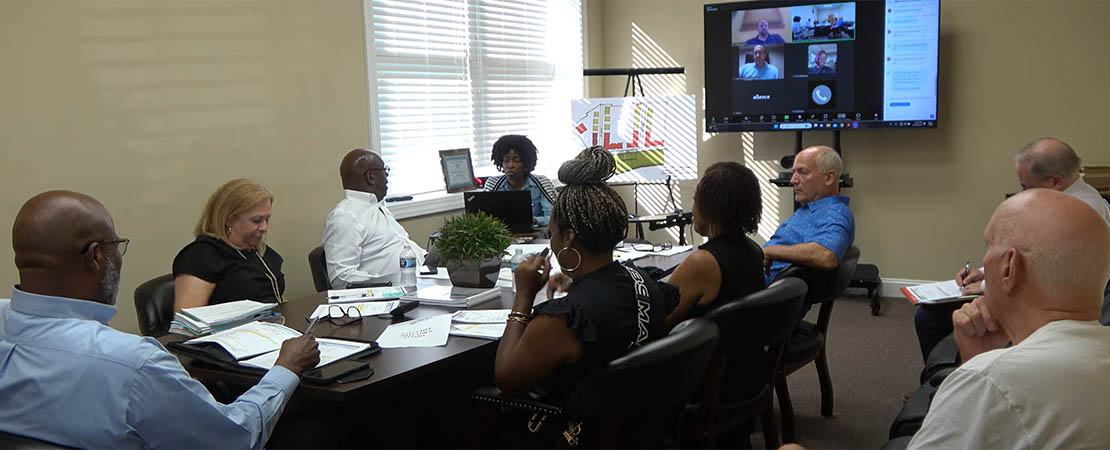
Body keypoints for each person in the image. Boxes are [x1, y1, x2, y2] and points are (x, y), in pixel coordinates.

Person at [0, 191, 320, 449]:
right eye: (116, 246)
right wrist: (286, 369)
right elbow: (233, 437)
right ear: (96, 256)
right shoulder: (135, 364)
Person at [907, 189, 1110, 449]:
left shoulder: (989, 382)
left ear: (1009, 267)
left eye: (989, 246)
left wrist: (977, 368)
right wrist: (979, 358)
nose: (983, 261)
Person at [494, 146, 675, 402]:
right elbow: (607, 303)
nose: (552, 242)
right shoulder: (643, 281)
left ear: (568, 237)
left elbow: (507, 379)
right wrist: (576, 283)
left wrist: (523, 296)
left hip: (575, 433)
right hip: (641, 425)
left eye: (552, 233)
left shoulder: (564, 320)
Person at [914, 137, 1110, 360]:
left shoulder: (1078, 216)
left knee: (929, 318)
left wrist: (988, 285)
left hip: (1046, 312)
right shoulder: (1072, 198)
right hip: (1031, 298)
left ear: (1055, 181)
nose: (1021, 192)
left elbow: (1044, 277)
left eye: (1025, 185)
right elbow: (1026, 255)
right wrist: (985, 273)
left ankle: (945, 383)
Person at [666, 162, 764, 328]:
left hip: (704, 352)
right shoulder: (754, 249)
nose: (693, 211)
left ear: (711, 208)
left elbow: (658, 321)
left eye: (695, 201)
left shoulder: (703, 262)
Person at [173, 178, 286, 310]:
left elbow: (270, 297)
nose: (264, 227)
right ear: (229, 220)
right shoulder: (201, 256)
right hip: (233, 329)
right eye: (256, 220)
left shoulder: (255, 249)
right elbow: (189, 321)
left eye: (267, 219)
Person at [323, 148, 425, 288]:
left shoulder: (377, 207)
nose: (387, 177)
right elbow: (341, 278)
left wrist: (430, 259)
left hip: (418, 281)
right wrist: (389, 281)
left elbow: (403, 246)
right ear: (371, 176)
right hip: (390, 293)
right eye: (384, 171)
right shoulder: (345, 217)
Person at [762, 146, 855, 285]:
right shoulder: (813, 209)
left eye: (802, 172)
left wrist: (769, 251)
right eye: (793, 172)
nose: (793, 180)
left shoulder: (836, 213)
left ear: (829, 177)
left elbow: (826, 255)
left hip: (758, 294)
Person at [481, 134, 557, 226]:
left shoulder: (542, 183)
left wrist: (534, 220)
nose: (510, 165)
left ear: (526, 162)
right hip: (501, 236)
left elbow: (554, 219)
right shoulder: (493, 184)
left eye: (517, 160)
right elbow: (482, 219)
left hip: (537, 236)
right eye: (506, 160)